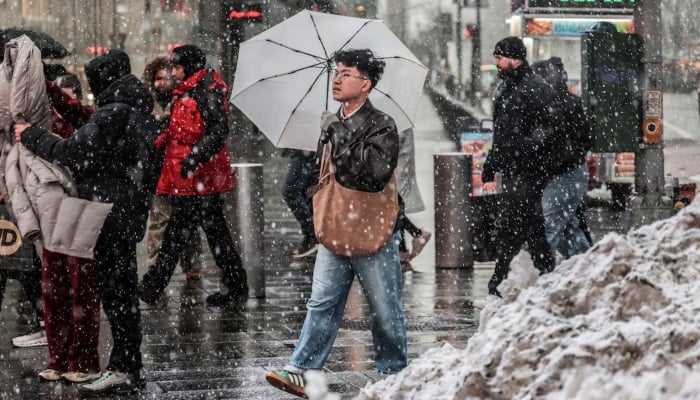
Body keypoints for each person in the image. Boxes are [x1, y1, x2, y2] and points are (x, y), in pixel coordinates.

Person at [15, 49, 161, 395]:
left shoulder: (113, 114)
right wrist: (53, 93)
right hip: (125, 213)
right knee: (121, 293)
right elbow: (89, 124)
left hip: (106, 215)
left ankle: (123, 367)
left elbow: (72, 152)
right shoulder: (131, 109)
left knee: (117, 295)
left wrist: (29, 135)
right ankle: (129, 364)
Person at [265, 49, 407, 398]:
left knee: (384, 309)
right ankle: (302, 369)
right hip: (334, 228)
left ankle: (395, 374)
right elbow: (327, 175)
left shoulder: (383, 124)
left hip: (371, 229)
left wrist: (338, 133)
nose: (338, 78)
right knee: (322, 303)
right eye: (337, 72)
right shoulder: (331, 123)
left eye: (346, 73)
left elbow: (372, 176)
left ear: (366, 84)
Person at [139, 45, 249, 307]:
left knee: (181, 235)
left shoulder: (204, 92)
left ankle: (153, 286)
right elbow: (180, 131)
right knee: (204, 234)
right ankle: (235, 286)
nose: (173, 72)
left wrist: (194, 157)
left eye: (177, 67)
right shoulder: (188, 91)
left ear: (189, 67)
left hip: (200, 179)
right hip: (191, 178)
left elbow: (218, 131)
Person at [34, 72, 102, 384]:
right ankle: (58, 357)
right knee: (54, 289)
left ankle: (83, 359)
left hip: (80, 208)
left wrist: (45, 83)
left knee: (81, 290)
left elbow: (74, 112)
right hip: (52, 213)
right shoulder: (41, 122)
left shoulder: (88, 120)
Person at [482, 37, 556, 298]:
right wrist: (492, 161)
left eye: (500, 58)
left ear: (516, 58)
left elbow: (550, 128)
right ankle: (547, 272)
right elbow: (501, 132)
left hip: (529, 169)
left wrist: (526, 146)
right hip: (513, 168)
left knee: (514, 224)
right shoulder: (506, 88)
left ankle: (499, 280)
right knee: (530, 225)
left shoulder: (534, 87)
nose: (496, 63)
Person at [141, 56, 203, 284]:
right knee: (159, 221)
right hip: (159, 173)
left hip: (183, 172)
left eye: (166, 77)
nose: (162, 83)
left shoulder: (184, 100)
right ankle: (154, 268)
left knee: (187, 222)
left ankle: (192, 266)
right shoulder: (148, 104)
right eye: (157, 78)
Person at [531, 57, 592, 260]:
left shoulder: (555, 106)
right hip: (565, 172)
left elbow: (578, 140)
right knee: (567, 230)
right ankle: (588, 266)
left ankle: (534, 277)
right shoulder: (563, 103)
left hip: (563, 173)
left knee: (549, 228)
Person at [281, 148, 319, 259]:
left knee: (291, 191)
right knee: (306, 192)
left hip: (305, 150)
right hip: (304, 149)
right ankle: (314, 236)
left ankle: (313, 236)